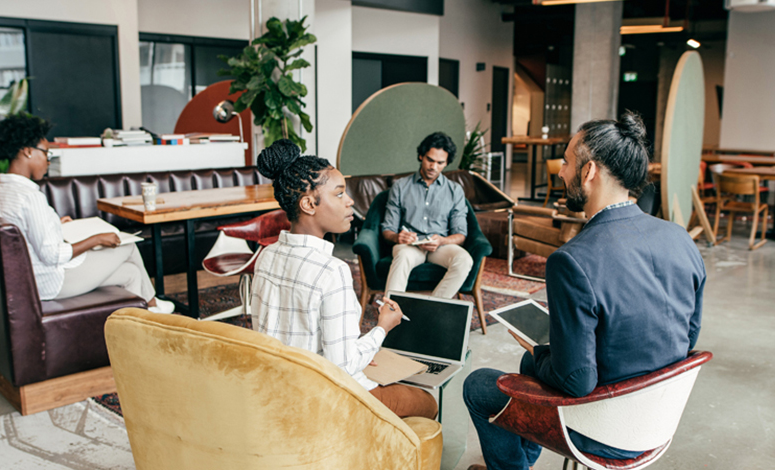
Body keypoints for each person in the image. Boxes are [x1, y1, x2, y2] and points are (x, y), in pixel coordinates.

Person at [463, 112, 706, 470]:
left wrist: (541, 350)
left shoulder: (572, 260)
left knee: (478, 385)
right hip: (657, 418)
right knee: (532, 363)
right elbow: (688, 337)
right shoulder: (679, 237)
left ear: (589, 171)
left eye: (566, 162)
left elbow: (577, 382)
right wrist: (542, 356)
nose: (561, 172)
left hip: (603, 428)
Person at [251, 139, 438, 419]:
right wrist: (382, 329)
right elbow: (344, 366)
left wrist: (359, 347)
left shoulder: (265, 256)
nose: (350, 201)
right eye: (339, 194)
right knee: (428, 403)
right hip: (328, 398)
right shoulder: (332, 271)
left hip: (278, 390)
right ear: (308, 204)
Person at [0, 113, 173, 313]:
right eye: (46, 154)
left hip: (32, 278)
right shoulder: (30, 196)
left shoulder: (0, 191)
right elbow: (52, 255)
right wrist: (96, 239)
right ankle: (153, 304)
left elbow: (26, 233)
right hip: (50, 282)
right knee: (129, 246)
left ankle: (141, 325)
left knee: (131, 273)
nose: (48, 162)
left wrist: (57, 224)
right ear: (28, 151)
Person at [381, 131, 472, 298]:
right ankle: (390, 312)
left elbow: (461, 234)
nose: (433, 167)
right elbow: (387, 229)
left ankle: (431, 308)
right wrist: (398, 237)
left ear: (446, 163)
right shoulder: (400, 186)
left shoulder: (455, 190)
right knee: (402, 256)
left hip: (440, 246)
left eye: (440, 162)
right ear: (421, 156)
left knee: (464, 259)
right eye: (430, 160)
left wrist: (442, 240)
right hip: (410, 246)